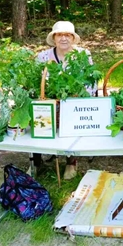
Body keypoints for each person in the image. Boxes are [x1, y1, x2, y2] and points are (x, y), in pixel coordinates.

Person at [35, 21, 96, 180]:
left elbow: (91, 83)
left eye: (67, 35)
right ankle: (38, 160)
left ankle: (71, 161)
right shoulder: (43, 57)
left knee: (70, 115)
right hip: (50, 100)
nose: (63, 38)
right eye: (59, 35)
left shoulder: (83, 54)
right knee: (39, 112)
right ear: (54, 38)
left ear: (73, 38)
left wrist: (78, 97)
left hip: (75, 101)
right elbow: (37, 83)